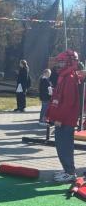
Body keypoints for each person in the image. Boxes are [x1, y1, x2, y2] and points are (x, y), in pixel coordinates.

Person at [46, 50, 81, 183]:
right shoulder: (64, 77)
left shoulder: (69, 79)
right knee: (61, 146)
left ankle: (70, 172)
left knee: (65, 146)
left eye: (61, 62)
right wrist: (51, 115)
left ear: (69, 62)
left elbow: (68, 103)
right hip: (62, 119)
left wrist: (59, 118)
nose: (59, 65)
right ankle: (67, 170)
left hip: (65, 121)